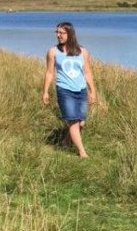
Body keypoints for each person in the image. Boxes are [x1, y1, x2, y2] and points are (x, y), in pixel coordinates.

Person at [41, 21, 97, 158]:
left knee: (81, 123)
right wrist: (45, 91)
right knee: (73, 121)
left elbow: (88, 72)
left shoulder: (82, 51)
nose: (58, 35)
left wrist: (92, 91)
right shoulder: (53, 52)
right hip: (64, 90)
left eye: (62, 33)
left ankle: (66, 142)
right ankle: (82, 153)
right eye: (57, 32)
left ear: (70, 34)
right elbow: (49, 73)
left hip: (81, 90)